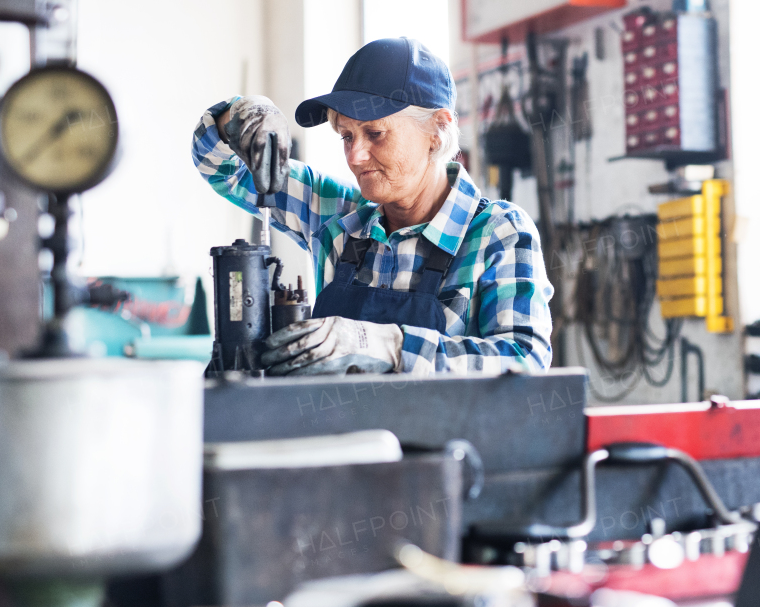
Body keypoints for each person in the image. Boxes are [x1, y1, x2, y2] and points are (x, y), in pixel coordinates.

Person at [192, 37, 554, 376]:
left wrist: (391, 346)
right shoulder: (340, 217)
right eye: (347, 136)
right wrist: (240, 116)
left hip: (445, 444)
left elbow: (524, 359)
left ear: (437, 130)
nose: (356, 156)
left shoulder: (499, 232)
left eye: (375, 134)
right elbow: (223, 169)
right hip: (345, 442)